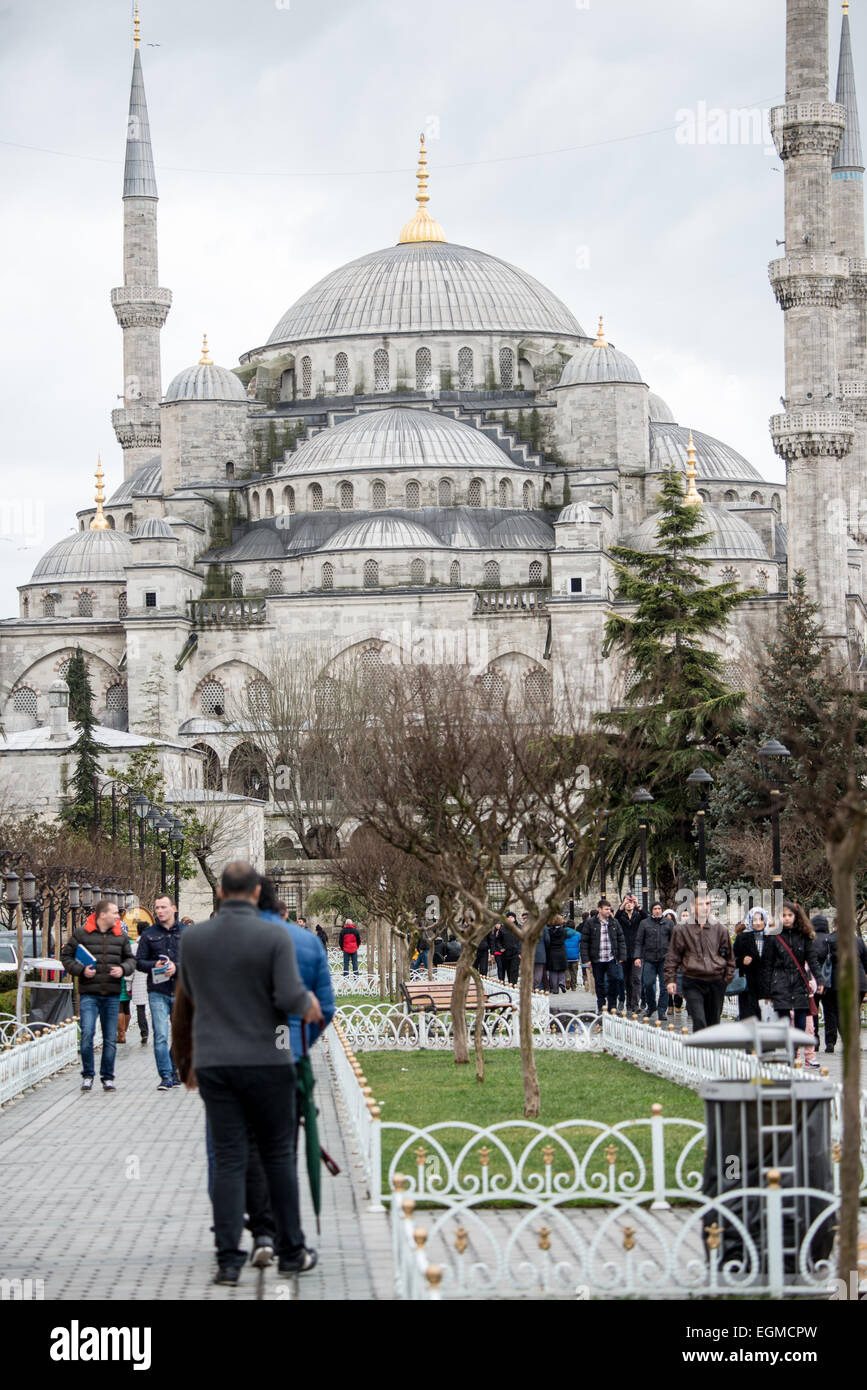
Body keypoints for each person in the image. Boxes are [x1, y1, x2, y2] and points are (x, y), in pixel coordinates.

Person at [177, 861, 322, 1285]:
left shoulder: (194, 939)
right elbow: (288, 995)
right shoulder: (274, 934)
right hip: (268, 1060)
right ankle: (291, 1252)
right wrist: (307, 1005)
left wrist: (186, 1061)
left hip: (215, 1063)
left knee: (227, 1157)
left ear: (220, 894)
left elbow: (189, 995)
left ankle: (227, 1260)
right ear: (257, 894)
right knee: (277, 1155)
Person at [61, 898, 135, 1092]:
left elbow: (130, 960)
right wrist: (81, 970)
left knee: (110, 1038)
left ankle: (107, 1077)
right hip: (89, 994)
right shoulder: (82, 934)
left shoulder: (120, 936)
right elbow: (66, 956)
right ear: (103, 915)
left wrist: (123, 969)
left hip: (111, 994)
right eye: (115, 913)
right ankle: (87, 1075)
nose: (118, 916)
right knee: (87, 1034)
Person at [137, 894, 185, 1090]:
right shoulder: (148, 934)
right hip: (157, 990)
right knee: (161, 1035)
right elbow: (139, 962)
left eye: (164, 907)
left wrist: (177, 967)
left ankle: (174, 1069)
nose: (160, 911)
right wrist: (153, 965)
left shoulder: (186, 932)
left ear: (173, 908)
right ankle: (165, 1076)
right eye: (157, 908)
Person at [664, 895, 734, 1032]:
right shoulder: (682, 930)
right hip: (693, 980)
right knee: (699, 1019)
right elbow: (673, 956)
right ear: (692, 906)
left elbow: (729, 957)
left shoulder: (720, 929)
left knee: (713, 1021)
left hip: (716, 980)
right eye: (700, 904)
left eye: (707, 903)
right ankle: (701, 1050)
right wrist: (671, 979)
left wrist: (727, 978)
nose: (705, 907)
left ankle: (712, 1051)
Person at [758, 901, 822, 1040]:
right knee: (784, 1023)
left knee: (800, 1024)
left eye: (790, 915)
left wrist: (819, 979)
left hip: (799, 983)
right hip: (780, 982)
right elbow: (767, 964)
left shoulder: (803, 936)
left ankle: (795, 1052)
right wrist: (766, 991)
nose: (787, 918)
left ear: (795, 916)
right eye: (783, 915)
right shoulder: (773, 936)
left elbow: (812, 959)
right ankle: (790, 1054)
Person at [815, 912, 867, 1051]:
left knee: (833, 1011)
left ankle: (831, 1042)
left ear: (835, 924)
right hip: (859, 982)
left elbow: (821, 957)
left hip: (837, 982)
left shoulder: (829, 939)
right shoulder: (859, 941)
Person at [580, 900, 626, 1014]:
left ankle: (612, 1006)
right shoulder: (591, 923)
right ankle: (601, 1006)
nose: (608, 911)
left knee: (614, 980)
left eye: (609, 909)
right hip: (597, 959)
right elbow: (584, 942)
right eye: (606, 909)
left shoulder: (614, 923)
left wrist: (622, 955)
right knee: (599, 983)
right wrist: (586, 959)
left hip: (611, 957)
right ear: (599, 909)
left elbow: (621, 939)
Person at [634, 902, 671, 1023]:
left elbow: (674, 940)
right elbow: (639, 941)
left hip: (664, 959)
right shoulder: (644, 923)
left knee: (664, 986)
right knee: (648, 984)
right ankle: (651, 1006)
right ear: (651, 910)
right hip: (649, 958)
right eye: (655, 909)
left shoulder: (668, 923)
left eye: (659, 908)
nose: (657, 911)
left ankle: (662, 1011)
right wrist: (637, 957)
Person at [733, 907, 770, 1021]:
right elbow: (732, 960)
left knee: (765, 1019)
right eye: (754, 920)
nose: (758, 923)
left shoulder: (771, 938)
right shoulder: (742, 938)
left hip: (767, 986)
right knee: (749, 1019)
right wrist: (741, 961)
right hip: (748, 986)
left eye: (761, 919)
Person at [615, 894, 643, 1011]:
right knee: (626, 979)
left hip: (637, 952)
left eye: (631, 901)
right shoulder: (621, 917)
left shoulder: (638, 916)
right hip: (624, 952)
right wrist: (622, 906)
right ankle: (628, 1003)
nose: (629, 903)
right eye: (627, 901)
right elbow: (614, 919)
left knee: (636, 978)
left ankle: (635, 1004)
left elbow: (646, 918)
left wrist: (638, 906)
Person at [545, 915, 568, 994]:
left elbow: (547, 941)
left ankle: (555, 989)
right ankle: (561, 982)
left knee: (553, 970)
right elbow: (564, 938)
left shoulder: (549, 931)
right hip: (561, 950)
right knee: (561, 969)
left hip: (552, 951)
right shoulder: (563, 931)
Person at [501, 913, 522, 985]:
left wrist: (520, 952)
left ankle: (514, 984)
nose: (510, 918)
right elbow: (498, 940)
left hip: (516, 952)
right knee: (509, 970)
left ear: (514, 918)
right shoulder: (503, 928)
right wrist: (501, 948)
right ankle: (510, 984)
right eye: (508, 917)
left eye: (512, 917)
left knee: (514, 969)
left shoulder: (519, 928)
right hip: (506, 953)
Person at [564, 919, 582, 991]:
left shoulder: (563, 933)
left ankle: (567, 978)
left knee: (566, 969)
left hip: (565, 955)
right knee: (574, 971)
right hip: (575, 955)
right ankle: (573, 986)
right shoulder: (578, 934)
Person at [533, 922, 551, 990]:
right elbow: (547, 940)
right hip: (540, 951)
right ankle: (536, 986)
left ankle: (531, 986)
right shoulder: (543, 927)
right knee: (538, 970)